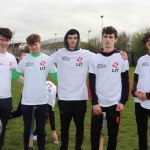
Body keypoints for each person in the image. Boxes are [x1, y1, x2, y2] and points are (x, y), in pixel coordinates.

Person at [50, 28, 128, 150]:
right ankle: (63, 147)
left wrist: (121, 52)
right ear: (66, 39)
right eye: (70, 38)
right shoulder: (60, 53)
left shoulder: (88, 55)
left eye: (75, 38)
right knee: (65, 128)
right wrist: (29, 55)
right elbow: (44, 59)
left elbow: (106, 56)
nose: (72, 40)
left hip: (81, 98)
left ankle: (78, 148)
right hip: (64, 98)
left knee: (81, 127)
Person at [88, 26, 129, 150]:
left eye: (111, 37)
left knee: (113, 135)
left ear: (115, 39)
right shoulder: (94, 58)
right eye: (105, 36)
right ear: (102, 38)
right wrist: (94, 102)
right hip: (98, 104)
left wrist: (122, 101)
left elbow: (125, 81)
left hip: (114, 104)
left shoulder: (122, 58)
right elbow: (91, 82)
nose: (108, 39)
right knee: (94, 135)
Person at [14, 34, 57, 150]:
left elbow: (56, 76)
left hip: (42, 101)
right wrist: (12, 66)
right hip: (27, 101)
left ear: (40, 44)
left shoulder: (47, 59)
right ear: (28, 46)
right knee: (27, 130)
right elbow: (15, 75)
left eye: (36, 44)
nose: (34, 47)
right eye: (31, 45)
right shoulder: (24, 60)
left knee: (41, 130)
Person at [0, 27, 24, 150]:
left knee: (2, 130)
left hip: (7, 100)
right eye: (1, 39)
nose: (4, 43)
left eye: (7, 40)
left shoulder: (11, 58)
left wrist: (30, 83)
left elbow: (15, 76)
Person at [131, 32, 150, 150]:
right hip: (140, 102)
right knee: (142, 132)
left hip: (147, 99)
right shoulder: (142, 60)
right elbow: (136, 79)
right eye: (148, 40)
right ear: (145, 43)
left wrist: (148, 95)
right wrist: (134, 92)